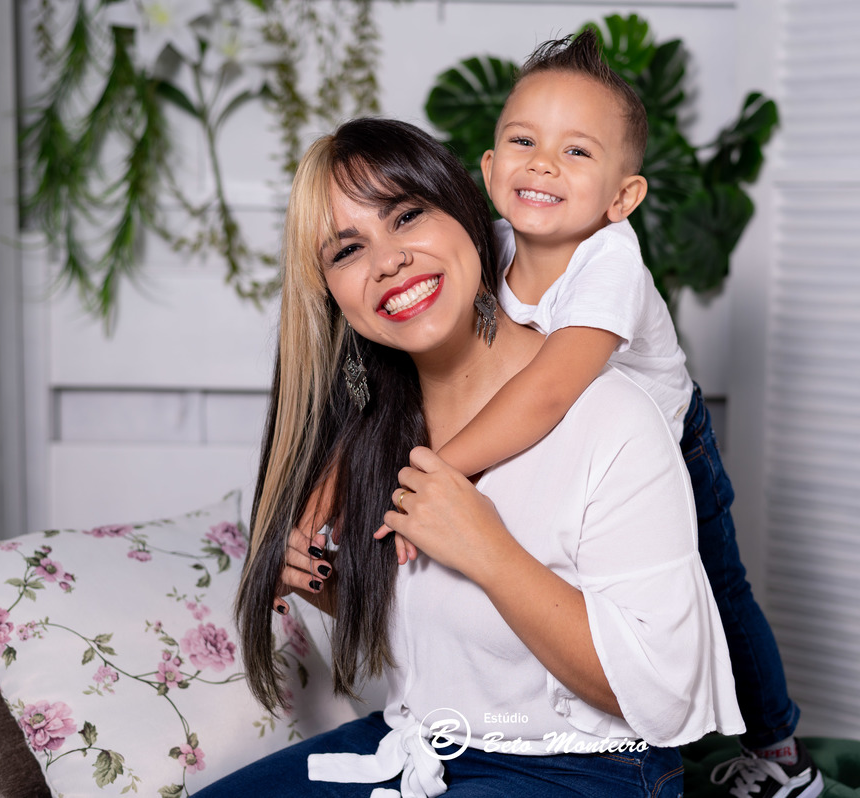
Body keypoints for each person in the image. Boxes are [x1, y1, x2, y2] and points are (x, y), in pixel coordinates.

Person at [194, 117, 743, 798]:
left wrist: (488, 548)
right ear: (332, 295)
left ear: (464, 206)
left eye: (406, 215)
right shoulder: (375, 439)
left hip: (586, 770)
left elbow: (662, 694)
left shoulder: (610, 417)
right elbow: (439, 622)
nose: (387, 260)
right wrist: (316, 579)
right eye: (347, 250)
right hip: (420, 745)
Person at [437, 31, 821, 798]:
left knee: (719, 584)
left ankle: (779, 748)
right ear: (488, 169)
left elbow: (549, 389)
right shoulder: (492, 246)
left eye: (577, 153)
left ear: (622, 197)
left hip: (670, 447)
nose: (543, 162)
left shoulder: (608, 259)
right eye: (523, 140)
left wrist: (441, 468)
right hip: (577, 461)